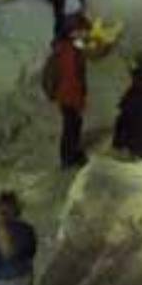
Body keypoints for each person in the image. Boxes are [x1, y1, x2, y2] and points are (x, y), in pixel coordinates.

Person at [43, 15, 89, 169]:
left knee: (74, 124)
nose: (84, 35)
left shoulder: (69, 47)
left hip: (68, 94)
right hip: (68, 94)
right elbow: (72, 75)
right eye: (82, 32)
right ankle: (68, 158)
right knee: (71, 126)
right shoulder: (68, 49)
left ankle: (71, 154)